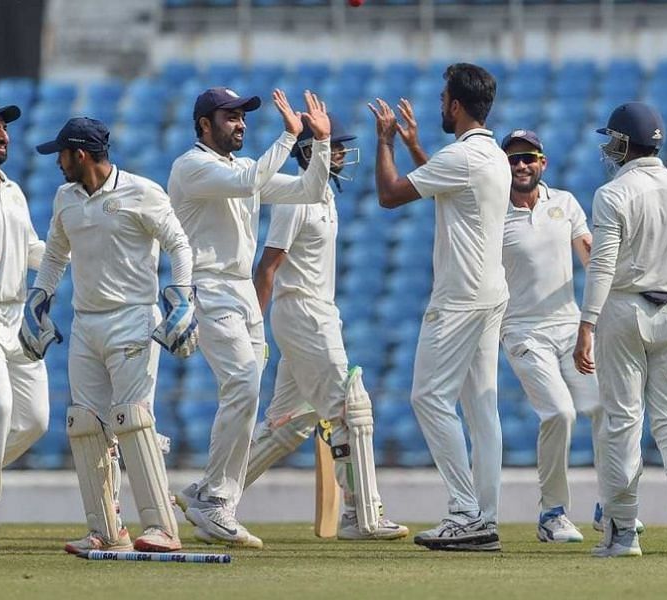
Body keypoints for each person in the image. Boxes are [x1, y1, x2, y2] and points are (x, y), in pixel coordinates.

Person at [20, 117, 196, 555]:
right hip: (86, 324)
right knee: (85, 425)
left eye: (61, 154)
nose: (57, 163)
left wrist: (183, 297)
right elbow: (56, 254)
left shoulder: (142, 191)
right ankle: (106, 530)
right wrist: (38, 299)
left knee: (132, 419)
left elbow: (178, 243)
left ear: (80, 154)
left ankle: (161, 528)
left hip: (133, 319)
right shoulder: (66, 198)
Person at [169, 87, 331, 549]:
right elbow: (252, 181)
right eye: (230, 117)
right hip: (207, 285)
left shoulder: (242, 167)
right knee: (242, 381)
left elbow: (309, 189)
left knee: (248, 388)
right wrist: (289, 135)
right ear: (205, 124)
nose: (240, 124)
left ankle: (207, 493)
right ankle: (215, 502)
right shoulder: (191, 166)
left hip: (240, 288)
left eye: (242, 117)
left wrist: (318, 144)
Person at [368, 63, 509, 551]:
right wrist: (413, 147)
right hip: (490, 294)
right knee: (481, 410)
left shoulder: (464, 157)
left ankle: (466, 513)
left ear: (455, 105)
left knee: (428, 398)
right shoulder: (489, 155)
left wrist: (385, 141)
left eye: (443, 97)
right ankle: (484, 517)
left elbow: (389, 195)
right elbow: (449, 186)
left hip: (460, 298)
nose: (438, 104)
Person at [246, 115, 408, 540]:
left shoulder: (322, 196)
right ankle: (361, 515)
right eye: (333, 146)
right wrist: (252, 329)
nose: (340, 153)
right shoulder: (296, 198)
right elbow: (268, 267)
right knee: (348, 409)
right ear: (309, 152)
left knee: (291, 420)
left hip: (317, 312)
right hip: (302, 312)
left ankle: (213, 494)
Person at [573, 102, 667, 557]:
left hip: (623, 310)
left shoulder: (613, 194)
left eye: (611, 139)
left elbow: (602, 266)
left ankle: (622, 532)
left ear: (621, 143)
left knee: (622, 422)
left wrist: (587, 324)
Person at [498, 129, 604, 543]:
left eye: (528, 157)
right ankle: (552, 513)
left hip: (569, 326)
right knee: (560, 412)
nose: (521, 165)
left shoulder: (565, 203)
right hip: (523, 330)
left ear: (543, 162)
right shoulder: (494, 213)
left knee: (604, 407)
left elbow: (591, 256)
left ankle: (611, 503)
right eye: (512, 159)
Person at [0, 102, 48, 545]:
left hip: (16, 317)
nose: (3, 136)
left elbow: (33, 249)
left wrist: (77, 248)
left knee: (35, 420)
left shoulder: (14, 190)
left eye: (4, 129)